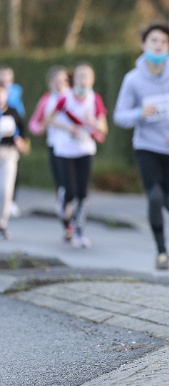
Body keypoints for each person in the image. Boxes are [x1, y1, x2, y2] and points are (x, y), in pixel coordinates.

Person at [114, 22, 169, 270]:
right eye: (154, 41)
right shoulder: (132, 79)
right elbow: (120, 115)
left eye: (164, 42)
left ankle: (167, 199)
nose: (158, 46)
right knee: (154, 197)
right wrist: (138, 113)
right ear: (143, 44)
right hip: (147, 146)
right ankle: (162, 251)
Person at [44, 62, 108, 248]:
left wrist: (93, 122)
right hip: (65, 150)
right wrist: (68, 128)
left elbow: (104, 128)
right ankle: (63, 201)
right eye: (80, 76)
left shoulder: (95, 99)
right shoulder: (65, 98)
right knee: (70, 191)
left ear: (92, 80)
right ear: (74, 79)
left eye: (87, 76)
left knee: (83, 193)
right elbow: (49, 119)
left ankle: (78, 231)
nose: (83, 80)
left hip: (85, 149)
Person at [28, 66, 71, 240]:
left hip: (75, 148)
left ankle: (73, 221)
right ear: (50, 83)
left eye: (63, 81)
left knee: (75, 188)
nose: (60, 85)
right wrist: (41, 127)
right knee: (63, 186)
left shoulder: (73, 97)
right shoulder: (46, 100)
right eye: (56, 81)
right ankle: (67, 225)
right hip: (55, 147)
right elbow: (34, 124)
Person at [0, 65, 25, 219]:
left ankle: (3, 222)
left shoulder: (13, 108)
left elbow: (22, 126)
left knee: (7, 186)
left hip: (9, 150)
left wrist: (20, 140)